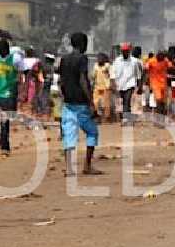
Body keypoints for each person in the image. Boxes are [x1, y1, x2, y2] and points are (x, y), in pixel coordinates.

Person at [57, 33, 102, 176]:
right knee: (92, 132)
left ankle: (69, 168)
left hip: (68, 102)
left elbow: (61, 81)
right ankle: (87, 166)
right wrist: (90, 102)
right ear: (83, 44)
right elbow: (83, 80)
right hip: (81, 102)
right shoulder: (82, 58)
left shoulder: (64, 59)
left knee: (69, 135)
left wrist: (64, 95)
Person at [111, 43, 142, 125]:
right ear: (121, 51)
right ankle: (124, 118)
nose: (125, 52)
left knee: (127, 101)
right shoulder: (117, 61)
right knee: (120, 103)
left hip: (130, 84)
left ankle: (126, 119)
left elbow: (138, 74)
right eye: (123, 51)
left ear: (129, 51)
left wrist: (139, 86)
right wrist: (113, 84)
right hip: (119, 85)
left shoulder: (134, 61)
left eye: (126, 51)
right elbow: (112, 73)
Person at [92, 53, 113, 122]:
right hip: (97, 87)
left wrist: (111, 85)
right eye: (98, 58)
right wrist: (92, 85)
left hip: (106, 87)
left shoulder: (107, 66)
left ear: (104, 59)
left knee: (106, 104)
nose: (99, 59)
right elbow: (93, 76)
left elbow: (112, 76)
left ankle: (107, 117)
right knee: (96, 102)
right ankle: (98, 116)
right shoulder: (95, 66)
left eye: (101, 58)